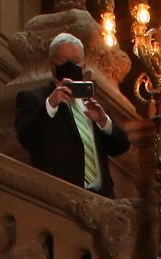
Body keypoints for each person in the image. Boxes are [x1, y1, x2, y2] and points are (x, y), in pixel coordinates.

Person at [15, 32, 129, 195]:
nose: (70, 66)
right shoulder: (35, 99)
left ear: (83, 65)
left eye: (75, 62)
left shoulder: (96, 105)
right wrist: (50, 105)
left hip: (101, 199)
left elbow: (121, 146)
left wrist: (104, 122)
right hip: (59, 196)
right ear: (52, 65)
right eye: (63, 61)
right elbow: (26, 138)